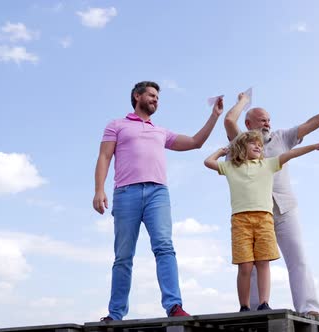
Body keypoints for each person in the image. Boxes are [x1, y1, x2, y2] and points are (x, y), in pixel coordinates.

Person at [93, 81, 224, 321]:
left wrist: (214, 116)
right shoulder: (117, 125)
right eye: (151, 95)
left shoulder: (160, 132)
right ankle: (115, 314)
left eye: (158, 97)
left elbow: (196, 142)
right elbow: (104, 156)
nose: (156, 99)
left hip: (157, 194)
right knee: (123, 255)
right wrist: (99, 189)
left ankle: (174, 306)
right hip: (126, 193)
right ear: (137, 96)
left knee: (164, 247)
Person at [223, 92, 319, 317]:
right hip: (253, 212)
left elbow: (311, 124)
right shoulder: (241, 145)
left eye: (269, 119)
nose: (267, 122)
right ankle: (256, 310)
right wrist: (244, 101)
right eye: (262, 119)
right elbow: (228, 121)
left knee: (298, 257)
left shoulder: (281, 138)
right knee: (253, 263)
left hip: (284, 208)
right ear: (248, 123)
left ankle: (310, 307)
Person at [204, 130, 319, 312]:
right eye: (253, 143)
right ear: (241, 147)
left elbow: (291, 153)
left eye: (260, 145)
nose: (258, 146)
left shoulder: (267, 165)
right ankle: (244, 306)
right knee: (245, 265)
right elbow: (208, 162)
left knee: (263, 262)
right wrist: (222, 151)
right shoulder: (232, 167)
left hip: (264, 219)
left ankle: (264, 303)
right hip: (241, 221)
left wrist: (315, 146)